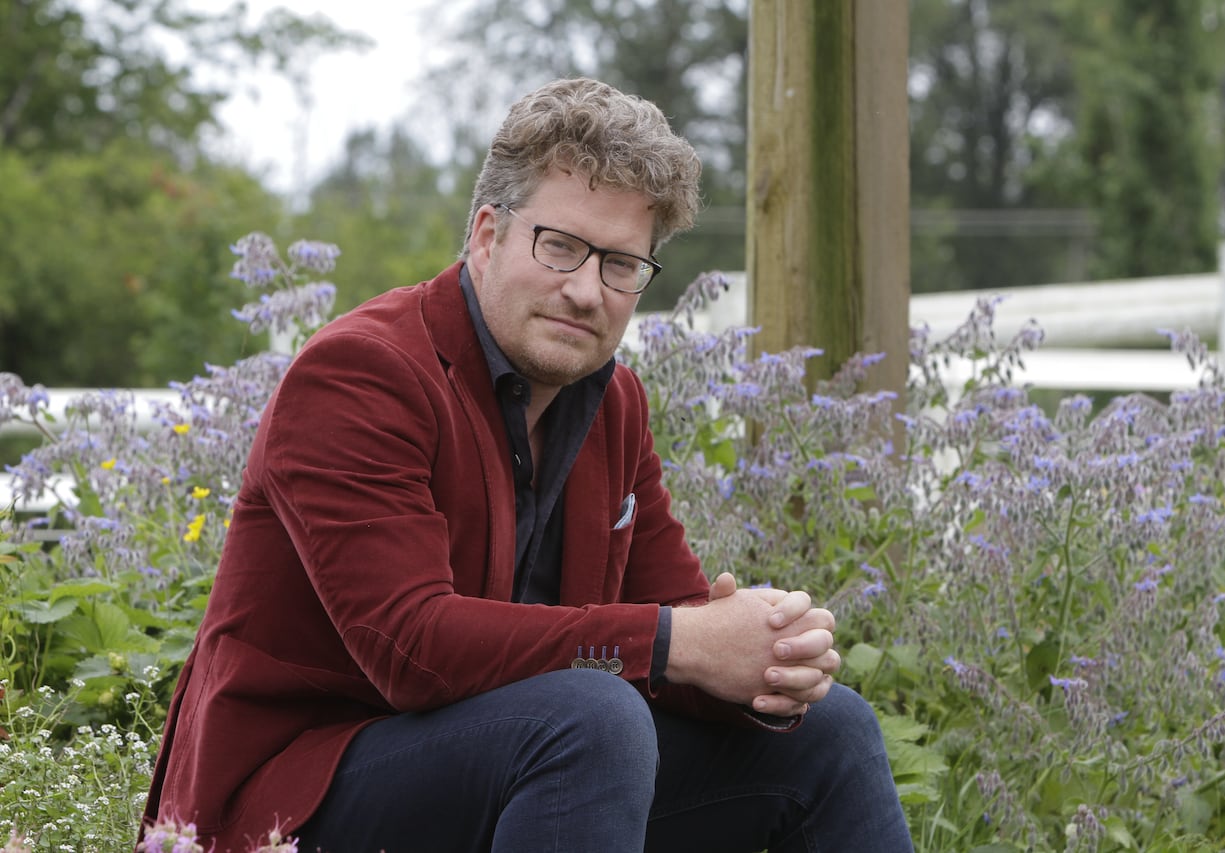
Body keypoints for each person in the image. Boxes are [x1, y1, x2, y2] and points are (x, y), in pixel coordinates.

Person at [141, 77, 913, 852]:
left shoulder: (613, 402)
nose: (586, 291)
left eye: (621, 264)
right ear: (487, 236)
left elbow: (673, 622)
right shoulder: (361, 373)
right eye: (562, 246)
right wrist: (680, 641)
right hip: (292, 795)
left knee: (830, 729)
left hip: (509, 766)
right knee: (591, 717)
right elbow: (411, 647)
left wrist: (763, 662)